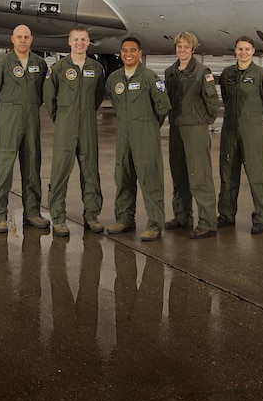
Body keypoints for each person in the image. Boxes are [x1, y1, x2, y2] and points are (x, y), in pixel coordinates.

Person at [104, 37, 170, 241]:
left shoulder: (151, 78)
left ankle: (155, 223)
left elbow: (163, 107)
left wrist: (148, 126)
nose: (128, 53)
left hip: (145, 134)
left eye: (133, 50)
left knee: (150, 179)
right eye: (124, 50)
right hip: (124, 133)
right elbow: (114, 101)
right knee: (123, 177)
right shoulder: (114, 79)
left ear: (140, 53)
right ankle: (124, 219)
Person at [44, 26, 106, 236]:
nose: (80, 43)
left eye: (84, 39)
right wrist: (62, 118)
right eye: (76, 39)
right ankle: (58, 217)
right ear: (69, 42)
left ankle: (91, 215)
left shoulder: (95, 68)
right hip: (65, 125)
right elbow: (49, 99)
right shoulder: (59, 68)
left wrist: (86, 113)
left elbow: (97, 97)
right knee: (60, 172)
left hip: (87, 125)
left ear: (89, 42)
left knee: (90, 171)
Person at [0, 24, 49, 233]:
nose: (23, 40)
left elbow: (43, 92)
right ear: (12, 40)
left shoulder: (39, 64)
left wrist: (28, 107)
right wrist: (5, 112)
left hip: (31, 118)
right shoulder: (2, 63)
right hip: (8, 118)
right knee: (3, 168)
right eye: (19, 37)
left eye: (26, 37)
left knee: (32, 166)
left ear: (31, 40)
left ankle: (32, 212)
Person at [216, 36, 263, 234]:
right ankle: (226, 214)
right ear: (235, 51)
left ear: (253, 51)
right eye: (240, 49)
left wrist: (256, 120)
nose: (243, 52)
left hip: (253, 131)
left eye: (247, 49)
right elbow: (225, 96)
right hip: (230, 129)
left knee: (256, 174)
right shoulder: (227, 73)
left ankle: (261, 216)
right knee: (227, 172)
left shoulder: (261, 74)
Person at [164, 32, 222, 238]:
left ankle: (207, 222)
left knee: (199, 175)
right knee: (179, 174)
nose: (182, 50)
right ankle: (182, 216)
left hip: (195, 128)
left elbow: (212, 102)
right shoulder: (170, 72)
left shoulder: (201, 72)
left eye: (186, 47)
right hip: (176, 128)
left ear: (193, 49)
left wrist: (204, 120)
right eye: (179, 46)